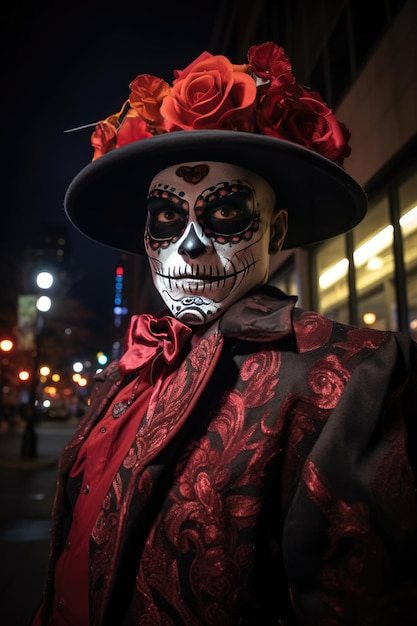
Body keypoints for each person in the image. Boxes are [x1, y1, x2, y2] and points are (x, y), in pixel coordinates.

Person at [32, 42, 417, 626]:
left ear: (277, 231)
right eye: (166, 216)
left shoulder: (355, 376)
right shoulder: (126, 372)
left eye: (225, 213)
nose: (189, 246)